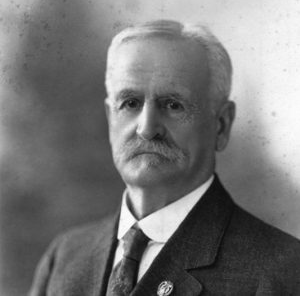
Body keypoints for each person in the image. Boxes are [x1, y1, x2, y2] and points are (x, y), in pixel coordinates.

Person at [29, 20, 300, 296]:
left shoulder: (283, 273)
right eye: (130, 103)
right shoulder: (63, 259)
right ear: (111, 117)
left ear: (221, 124)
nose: (147, 128)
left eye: (173, 105)